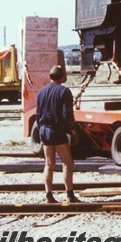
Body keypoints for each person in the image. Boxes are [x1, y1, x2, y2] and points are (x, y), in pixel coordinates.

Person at [36, 65, 80, 203]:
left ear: (50, 77)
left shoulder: (41, 92)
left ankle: (48, 195)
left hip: (44, 130)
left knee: (49, 164)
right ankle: (70, 195)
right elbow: (67, 114)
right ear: (62, 77)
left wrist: (41, 129)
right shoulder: (64, 91)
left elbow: (38, 114)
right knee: (68, 163)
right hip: (57, 131)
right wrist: (72, 131)